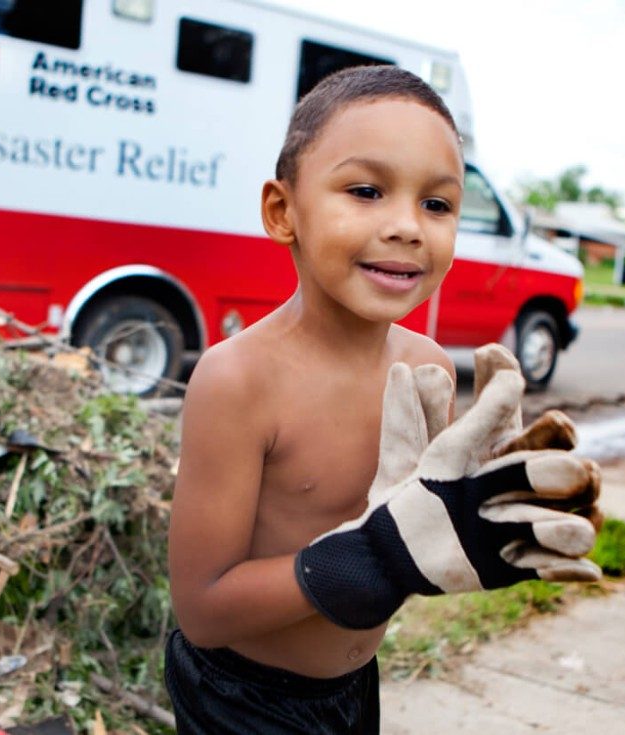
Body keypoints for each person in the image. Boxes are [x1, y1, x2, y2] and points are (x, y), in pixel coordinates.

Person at [164, 66, 598, 732]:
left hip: (355, 684)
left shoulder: (424, 372)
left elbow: (419, 540)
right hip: (239, 694)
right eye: (366, 190)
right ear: (284, 212)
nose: (407, 226)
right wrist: (368, 555)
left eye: (438, 203)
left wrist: (475, 533)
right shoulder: (238, 380)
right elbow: (201, 606)